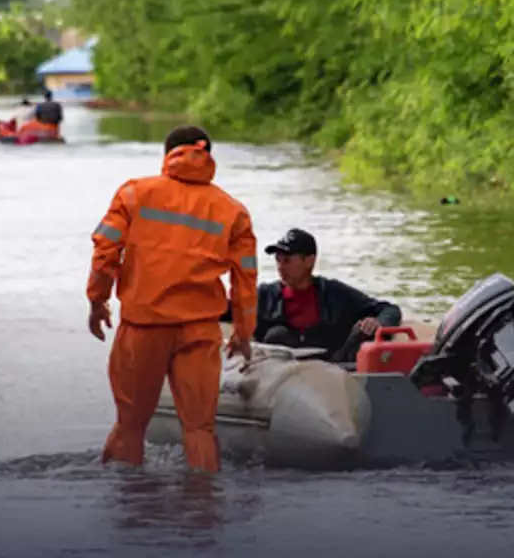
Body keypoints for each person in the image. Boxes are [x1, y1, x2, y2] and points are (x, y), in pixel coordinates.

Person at [86, 125, 257, 474]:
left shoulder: (134, 193)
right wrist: (243, 331)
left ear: (167, 154)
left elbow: (105, 251)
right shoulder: (232, 211)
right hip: (200, 331)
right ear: (209, 154)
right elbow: (246, 279)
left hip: (143, 327)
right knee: (199, 430)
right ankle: (205, 516)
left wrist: (97, 299)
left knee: (131, 427)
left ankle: (131, 511)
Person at [222, 228, 403, 363]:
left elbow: (388, 309)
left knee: (361, 331)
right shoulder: (264, 296)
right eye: (277, 260)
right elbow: (224, 309)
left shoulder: (335, 294)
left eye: (287, 260)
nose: (280, 267)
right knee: (277, 334)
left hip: (332, 372)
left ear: (309, 261)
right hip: (279, 379)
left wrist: (378, 323)